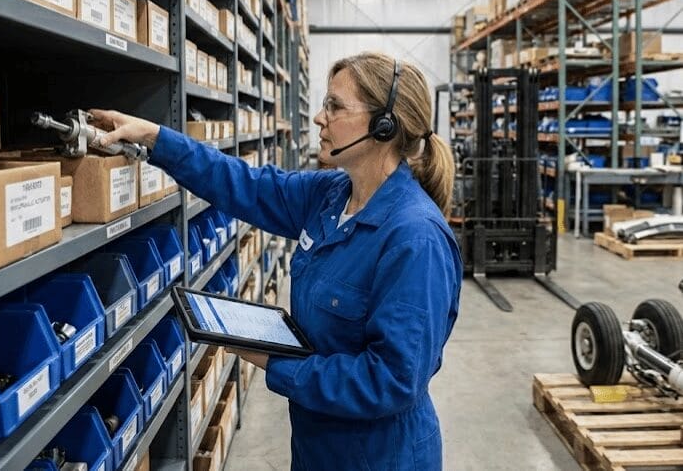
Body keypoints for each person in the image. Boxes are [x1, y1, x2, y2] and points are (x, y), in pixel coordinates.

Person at [90, 51, 462, 470]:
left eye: (335, 106)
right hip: (317, 443)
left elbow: (390, 382)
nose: (320, 118)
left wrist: (272, 358)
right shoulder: (331, 196)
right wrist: (156, 138)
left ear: (383, 127)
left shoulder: (415, 238)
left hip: (379, 457)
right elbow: (243, 183)